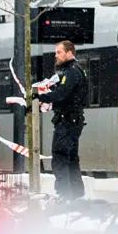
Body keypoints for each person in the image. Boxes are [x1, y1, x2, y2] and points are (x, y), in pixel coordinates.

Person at [34, 39, 89, 201]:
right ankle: (77, 195)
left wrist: (39, 97)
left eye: (59, 52)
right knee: (71, 158)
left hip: (67, 121)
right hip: (74, 120)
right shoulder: (77, 70)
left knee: (60, 157)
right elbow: (66, 93)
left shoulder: (71, 72)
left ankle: (64, 195)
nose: (56, 55)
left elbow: (62, 94)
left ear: (69, 53)